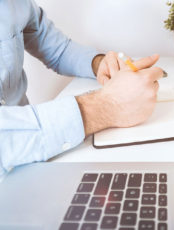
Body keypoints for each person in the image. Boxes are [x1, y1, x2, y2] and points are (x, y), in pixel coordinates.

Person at [0, 0, 163, 176]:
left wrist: (99, 64)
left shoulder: (17, 4)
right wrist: (106, 106)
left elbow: (58, 50)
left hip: (34, 162)